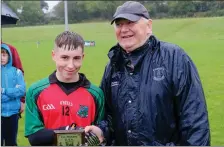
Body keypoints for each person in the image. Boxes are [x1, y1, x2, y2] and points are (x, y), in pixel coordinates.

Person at [86, 1, 210, 146]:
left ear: (149, 26)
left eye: (130, 22)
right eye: (119, 24)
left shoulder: (174, 58)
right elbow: (108, 116)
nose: (124, 29)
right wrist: (102, 131)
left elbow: (195, 120)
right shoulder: (113, 66)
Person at [24, 31, 105, 146]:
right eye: (65, 57)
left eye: (76, 58)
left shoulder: (96, 94)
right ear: (54, 56)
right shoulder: (36, 91)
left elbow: (101, 133)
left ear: (83, 57)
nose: (71, 65)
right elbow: (34, 137)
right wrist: (68, 131)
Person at [1, 43, 26, 146]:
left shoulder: (17, 72)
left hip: (13, 113)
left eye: (4, 55)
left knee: (11, 142)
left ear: (9, 56)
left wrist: (3, 91)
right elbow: (16, 92)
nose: (1, 58)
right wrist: (12, 94)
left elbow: (21, 90)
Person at [1, 41, 26, 116]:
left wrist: (22, 100)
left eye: (4, 55)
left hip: (13, 110)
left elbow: (21, 88)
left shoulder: (11, 49)